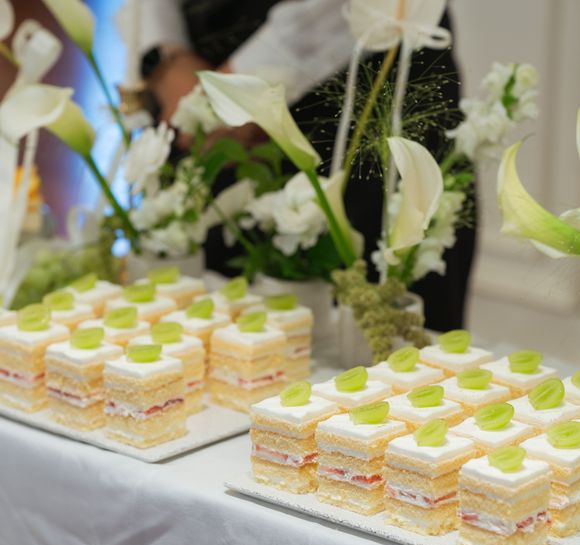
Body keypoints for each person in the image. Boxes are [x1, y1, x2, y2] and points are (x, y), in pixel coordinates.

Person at [138, 0, 475, 331]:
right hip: (197, 89)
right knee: (210, 323)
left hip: (364, 86)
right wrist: (167, 59)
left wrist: (239, 86)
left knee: (378, 331)